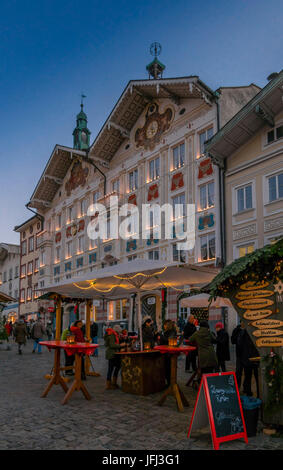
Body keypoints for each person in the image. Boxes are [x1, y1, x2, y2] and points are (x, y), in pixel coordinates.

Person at [231, 320, 259, 396]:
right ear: (240, 323)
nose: (243, 323)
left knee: (248, 374)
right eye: (242, 322)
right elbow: (233, 341)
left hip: (249, 356)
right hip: (240, 356)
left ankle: (247, 389)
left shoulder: (250, 329)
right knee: (239, 373)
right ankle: (237, 389)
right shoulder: (237, 330)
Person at [104, 324, 126, 390]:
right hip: (112, 354)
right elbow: (112, 345)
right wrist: (120, 345)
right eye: (119, 331)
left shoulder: (114, 335)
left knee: (117, 367)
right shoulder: (112, 335)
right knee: (111, 369)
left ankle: (113, 383)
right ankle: (109, 385)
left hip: (114, 353)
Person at [158, 319, 177, 386]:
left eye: (165, 325)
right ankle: (168, 382)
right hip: (165, 352)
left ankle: (170, 383)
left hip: (169, 353)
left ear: (167, 325)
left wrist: (161, 336)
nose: (164, 326)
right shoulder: (167, 332)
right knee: (166, 368)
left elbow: (168, 340)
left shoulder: (172, 332)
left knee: (169, 368)